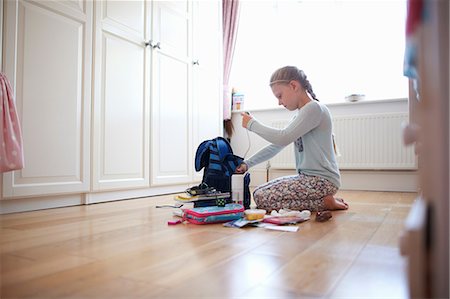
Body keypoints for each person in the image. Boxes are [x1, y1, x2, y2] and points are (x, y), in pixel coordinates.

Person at [235, 66, 348, 212]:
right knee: (258, 193)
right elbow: (277, 145)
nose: (279, 102)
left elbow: (283, 137)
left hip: (322, 181)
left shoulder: (314, 108)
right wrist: (247, 164)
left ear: (294, 86)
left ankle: (323, 203)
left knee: (262, 198)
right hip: (309, 179)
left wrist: (252, 124)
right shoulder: (302, 114)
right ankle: (322, 199)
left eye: (280, 96)